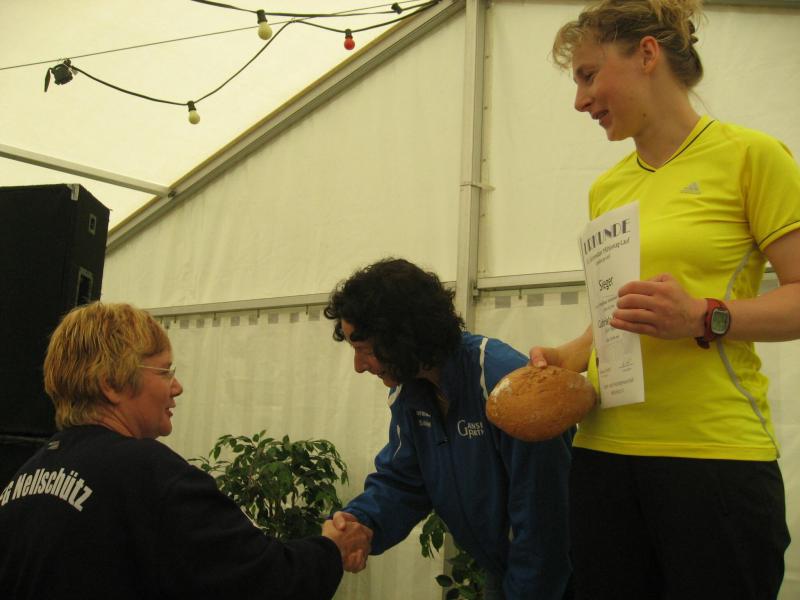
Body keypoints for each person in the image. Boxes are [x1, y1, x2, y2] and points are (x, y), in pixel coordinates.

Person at [530, 0, 800, 598]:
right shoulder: (607, 189)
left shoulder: (751, 156)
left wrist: (705, 315)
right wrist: (571, 355)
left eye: (588, 75)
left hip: (712, 458)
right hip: (603, 457)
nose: (579, 101)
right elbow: (616, 315)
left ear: (647, 54)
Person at [0, 302, 371, 600]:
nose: (176, 387)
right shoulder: (148, 473)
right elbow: (267, 581)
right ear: (111, 383)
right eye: (164, 372)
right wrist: (332, 548)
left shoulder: (22, 480)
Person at [324, 258, 573, 600]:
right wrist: (359, 523)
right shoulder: (410, 393)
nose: (358, 366)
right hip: (506, 568)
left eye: (364, 350)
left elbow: (543, 520)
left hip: (558, 576)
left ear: (401, 336)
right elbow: (404, 481)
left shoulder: (501, 381)